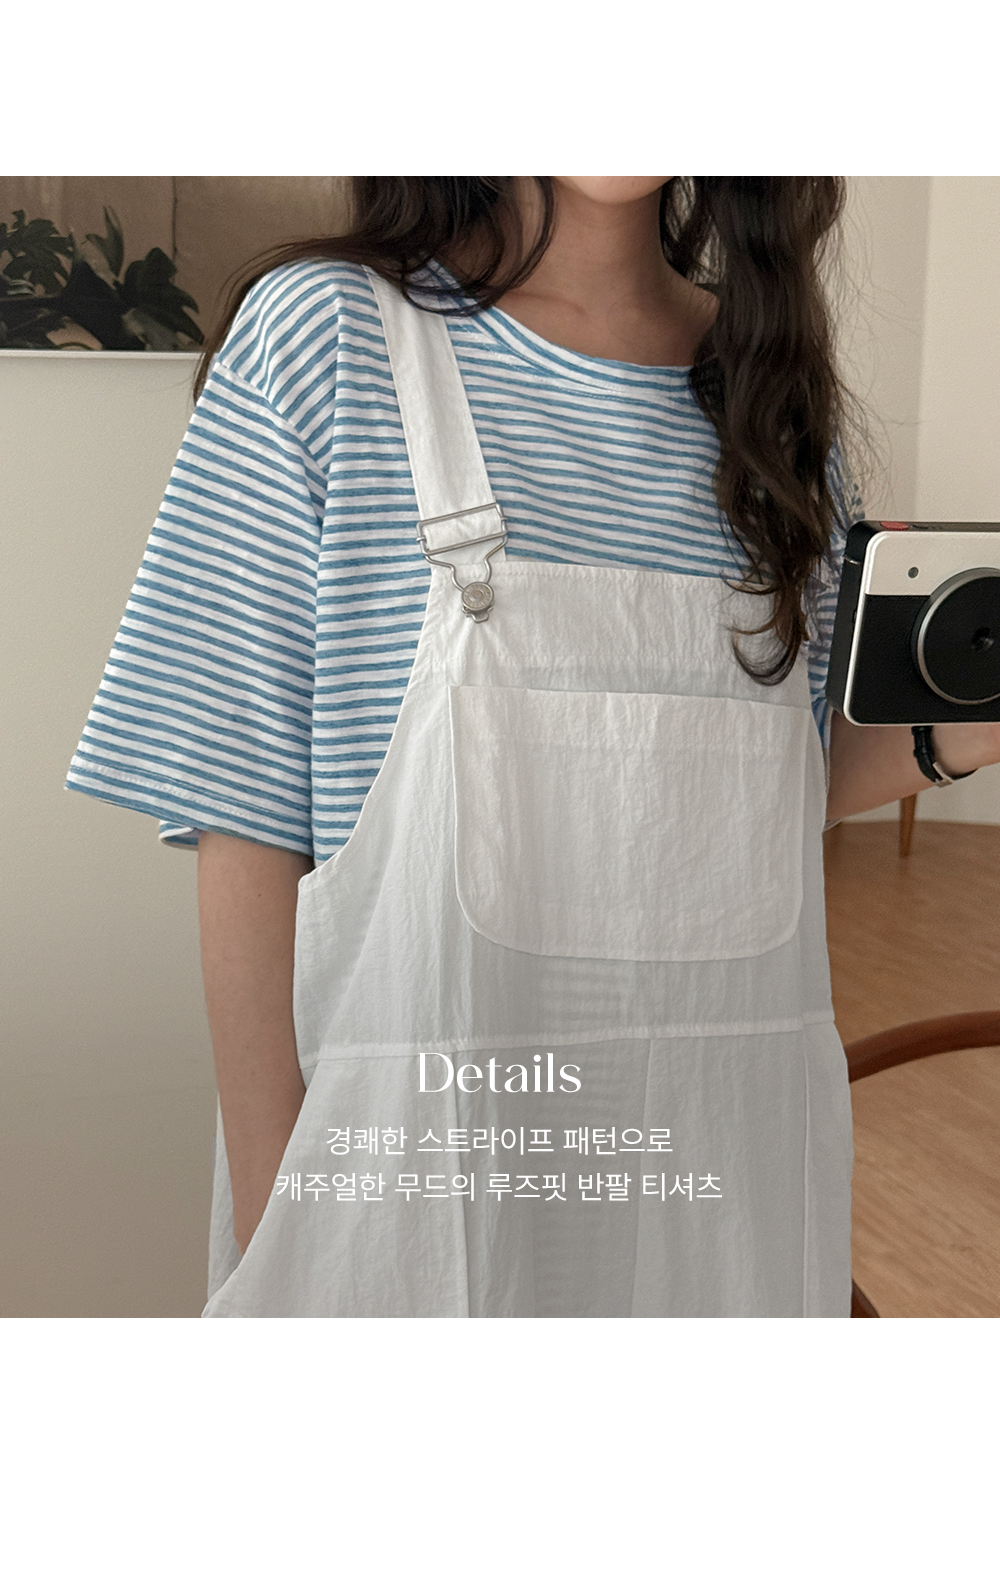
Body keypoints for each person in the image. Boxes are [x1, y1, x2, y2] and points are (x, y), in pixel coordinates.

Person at [65, 177, 1000, 1317]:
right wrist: (287, 1224)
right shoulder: (327, 335)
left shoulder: (773, 392)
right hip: (405, 1200)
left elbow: (763, 780)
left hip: (725, 1177)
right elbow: (243, 808)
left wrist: (957, 729)